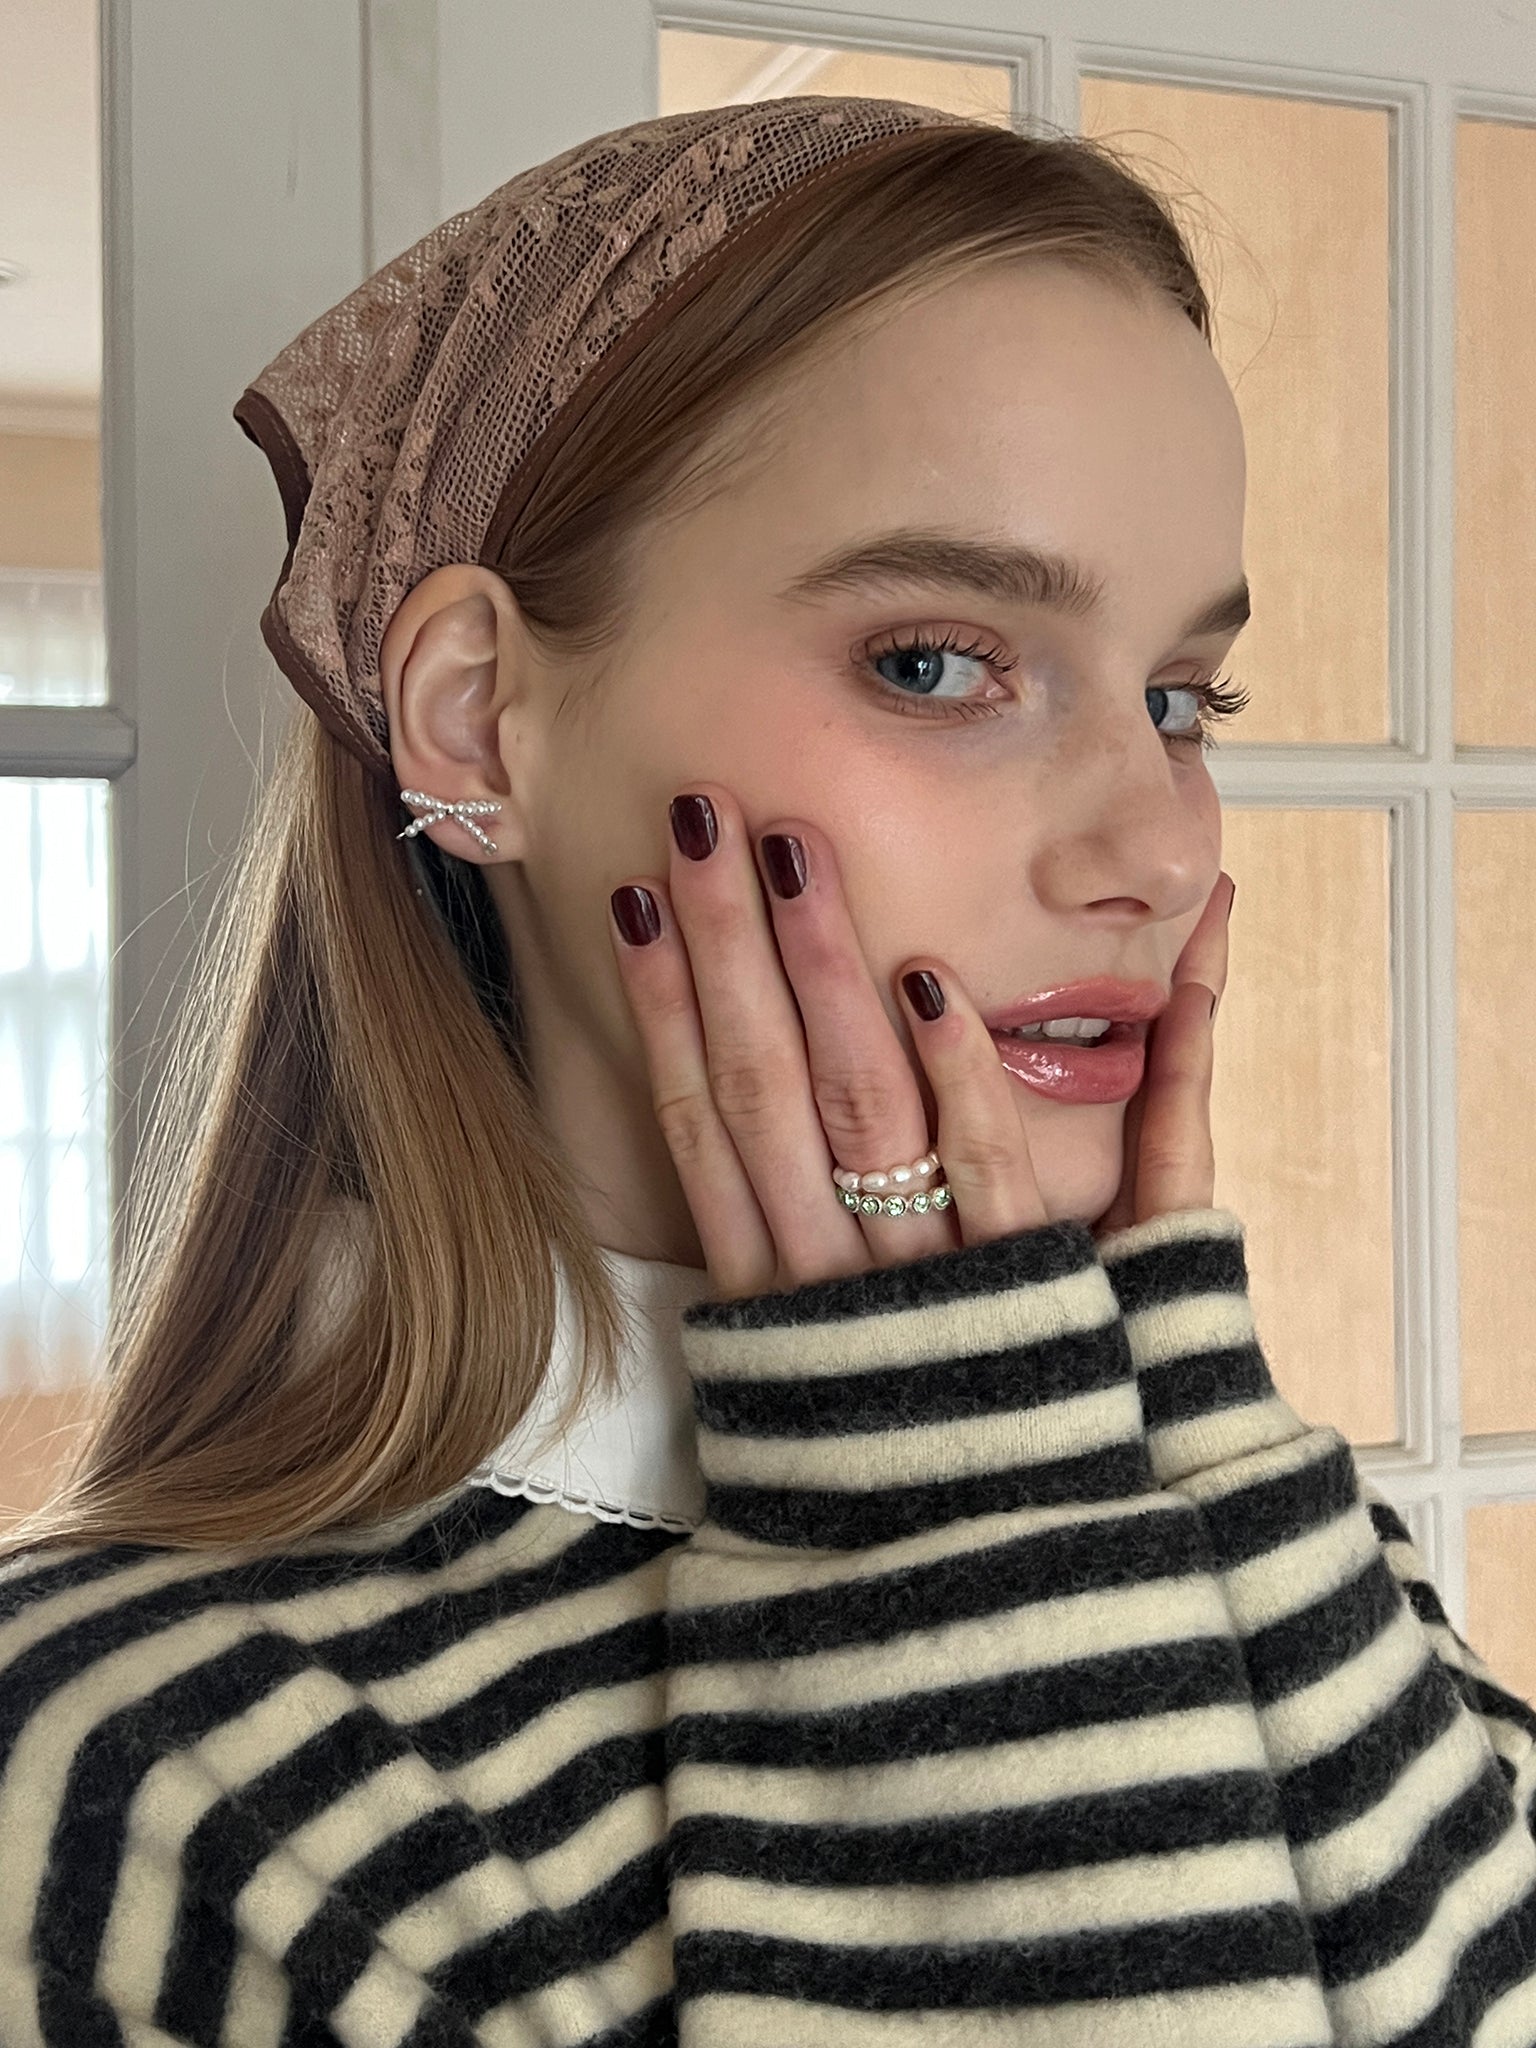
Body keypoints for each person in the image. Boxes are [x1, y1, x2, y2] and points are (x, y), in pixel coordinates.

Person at [0, 93, 1531, 2048]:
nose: (1157, 846)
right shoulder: (153, 1778)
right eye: (937, 663)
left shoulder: (1278, 1547)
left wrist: (1138, 1407)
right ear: (479, 716)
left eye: (1179, 696)